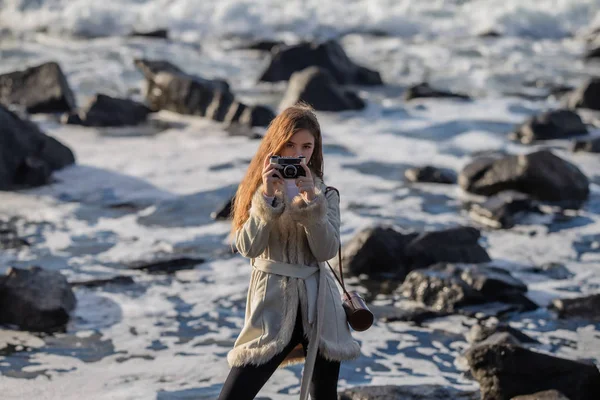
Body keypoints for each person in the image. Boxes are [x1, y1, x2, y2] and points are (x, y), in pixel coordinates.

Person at [218, 104, 361, 400]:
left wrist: (311, 205)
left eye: (306, 146)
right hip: (271, 308)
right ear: (276, 145)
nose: (298, 153)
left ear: (315, 149)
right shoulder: (256, 191)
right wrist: (267, 199)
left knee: (324, 397)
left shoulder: (326, 195)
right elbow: (248, 247)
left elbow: (325, 251)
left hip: (321, 307)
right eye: (290, 144)